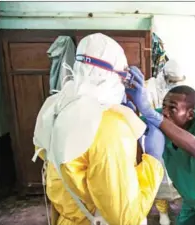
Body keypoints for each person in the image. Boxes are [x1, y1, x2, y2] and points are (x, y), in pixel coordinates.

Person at [32, 33, 165, 225]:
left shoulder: (55, 105)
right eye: (125, 75)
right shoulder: (110, 127)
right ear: (114, 76)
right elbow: (125, 217)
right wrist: (154, 161)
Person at [125, 68, 195, 225]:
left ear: (190, 114)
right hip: (191, 191)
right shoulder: (162, 115)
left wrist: (152, 115)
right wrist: (127, 111)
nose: (165, 112)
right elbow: (137, 125)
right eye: (164, 106)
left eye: (172, 108)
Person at [145, 59, 185, 225]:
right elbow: (145, 114)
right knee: (159, 177)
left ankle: (180, 210)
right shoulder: (150, 89)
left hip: (176, 139)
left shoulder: (184, 90)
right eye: (171, 81)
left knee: (178, 177)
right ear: (164, 76)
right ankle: (162, 213)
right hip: (156, 140)